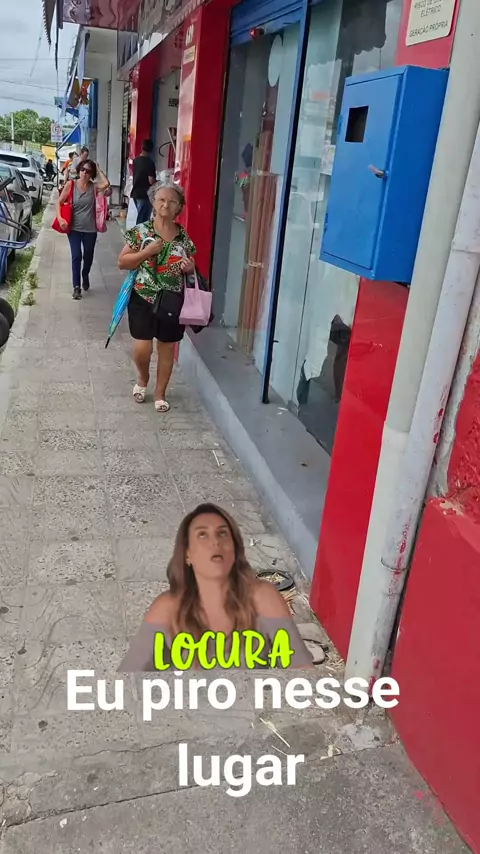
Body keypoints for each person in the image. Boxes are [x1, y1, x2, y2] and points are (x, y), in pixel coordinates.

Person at [118, 503, 314, 671]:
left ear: (235, 550)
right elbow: (127, 679)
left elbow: (301, 672)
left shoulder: (263, 597)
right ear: (187, 555)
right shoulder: (167, 608)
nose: (216, 542)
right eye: (202, 535)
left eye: (222, 533)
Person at [118, 180, 195, 412]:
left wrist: (189, 267)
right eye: (161, 200)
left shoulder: (183, 236)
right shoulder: (141, 232)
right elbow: (123, 262)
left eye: (172, 201)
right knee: (142, 349)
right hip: (143, 297)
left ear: (179, 207)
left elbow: (191, 261)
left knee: (167, 348)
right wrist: (146, 252)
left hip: (172, 300)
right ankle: (143, 378)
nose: (166, 205)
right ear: (153, 202)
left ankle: (161, 393)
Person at [56, 158, 110, 300]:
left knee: (88, 256)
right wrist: (60, 219)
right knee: (76, 256)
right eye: (82, 170)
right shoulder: (71, 185)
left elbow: (106, 184)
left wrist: (98, 169)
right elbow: (59, 202)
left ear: (92, 174)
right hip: (74, 228)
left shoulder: (94, 187)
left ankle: (85, 274)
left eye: (88, 171)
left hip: (90, 230)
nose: (84, 173)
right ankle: (76, 287)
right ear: (79, 170)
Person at [131, 139, 156, 224]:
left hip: (135, 193)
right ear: (151, 150)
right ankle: (138, 233)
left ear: (142, 147)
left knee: (140, 218)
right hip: (145, 195)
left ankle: (138, 232)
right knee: (143, 221)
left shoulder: (135, 160)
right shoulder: (150, 163)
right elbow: (151, 181)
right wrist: (159, 183)